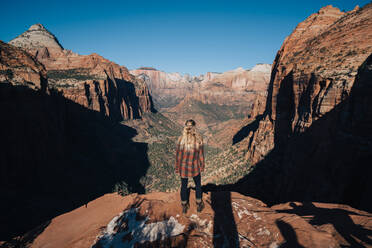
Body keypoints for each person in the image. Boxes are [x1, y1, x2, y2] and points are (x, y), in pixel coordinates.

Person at [175, 119, 205, 214]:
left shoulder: (181, 139)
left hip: (183, 166)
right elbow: (201, 154)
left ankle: (184, 206)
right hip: (195, 165)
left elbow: (178, 156)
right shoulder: (198, 139)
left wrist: (177, 167)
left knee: (184, 186)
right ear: (194, 127)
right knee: (198, 185)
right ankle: (199, 204)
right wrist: (202, 165)